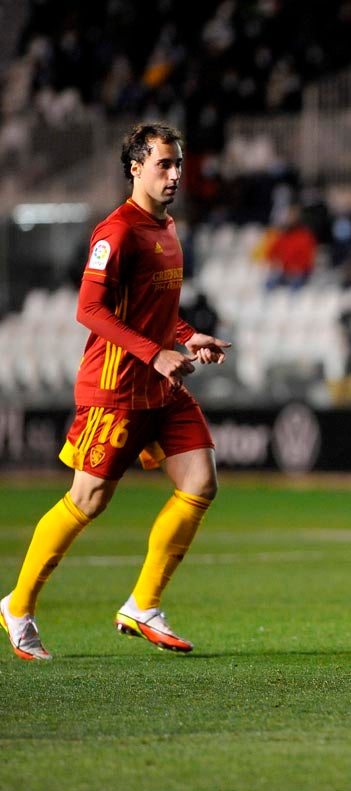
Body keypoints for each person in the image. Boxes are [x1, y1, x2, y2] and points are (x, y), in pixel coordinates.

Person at [0, 122, 232, 661]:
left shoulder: (168, 228)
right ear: (135, 167)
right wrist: (154, 353)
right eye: (163, 165)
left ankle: (143, 605)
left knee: (200, 481)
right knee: (89, 499)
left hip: (162, 384)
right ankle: (19, 604)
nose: (174, 175)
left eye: (178, 164)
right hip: (118, 386)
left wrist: (185, 336)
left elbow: (157, 311)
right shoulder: (116, 232)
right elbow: (89, 309)